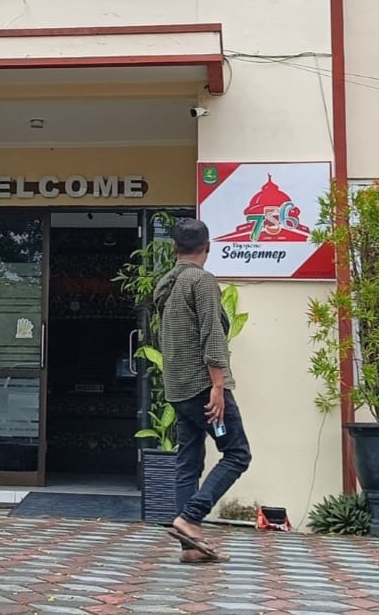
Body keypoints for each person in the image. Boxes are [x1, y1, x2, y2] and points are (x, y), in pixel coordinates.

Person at [154, 217, 251, 563]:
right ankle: (191, 518)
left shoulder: (166, 283)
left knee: (188, 463)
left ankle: (190, 550)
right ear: (207, 248)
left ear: (174, 248)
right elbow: (212, 334)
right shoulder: (202, 281)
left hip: (177, 389)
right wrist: (218, 386)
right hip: (203, 388)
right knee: (237, 454)